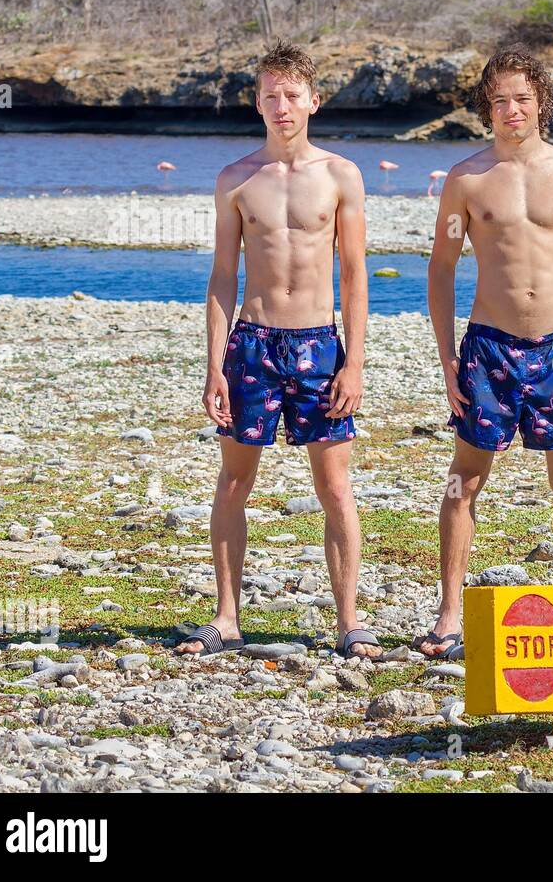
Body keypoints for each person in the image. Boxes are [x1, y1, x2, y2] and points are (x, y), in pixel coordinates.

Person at [175, 41, 382, 660]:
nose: (282, 105)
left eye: (293, 94)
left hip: (320, 344)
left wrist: (355, 361)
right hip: (254, 346)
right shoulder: (237, 180)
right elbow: (221, 277)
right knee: (235, 480)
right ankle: (227, 617)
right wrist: (214, 363)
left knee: (336, 486)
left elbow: (355, 275)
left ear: (313, 101)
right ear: (257, 103)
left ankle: (349, 624)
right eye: (270, 95)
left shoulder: (341, 175)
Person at [416, 46, 553, 657]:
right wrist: (447, 356)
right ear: (486, 108)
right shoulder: (467, 180)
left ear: (541, 102)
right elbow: (442, 268)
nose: (510, 110)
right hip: (487, 351)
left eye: (521, 99)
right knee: (463, 481)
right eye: (498, 101)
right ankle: (449, 613)